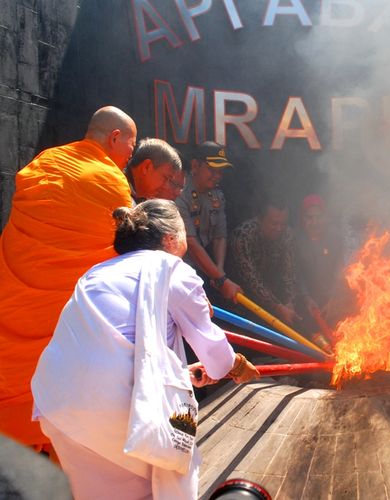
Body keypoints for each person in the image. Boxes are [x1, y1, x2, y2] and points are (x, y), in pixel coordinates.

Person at [31, 199, 260, 499]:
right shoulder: (172, 269)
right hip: (116, 411)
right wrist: (238, 365)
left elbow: (117, 345)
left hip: (58, 403)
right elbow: (215, 354)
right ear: (170, 238)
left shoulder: (97, 272)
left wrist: (183, 373)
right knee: (159, 484)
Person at [0, 106, 135, 451]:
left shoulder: (46, 162)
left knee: (17, 373)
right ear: (115, 137)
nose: (128, 160)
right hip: (60, 311)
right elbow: (126, 251)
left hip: (17, 298)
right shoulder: (109, 180)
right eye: (130, 150)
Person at [176, 141, 242, 304]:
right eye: (212, 169)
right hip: (180, 268)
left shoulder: (217, 196)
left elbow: (220, 236)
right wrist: (220, 279)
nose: (217, 176)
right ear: (195, 165)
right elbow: (190, 243)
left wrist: (219, 269)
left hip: (207, 267)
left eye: (220, 172)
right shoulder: (179, 193)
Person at [230, 197, 299, 326]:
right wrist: (278, 308)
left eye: (283, 224)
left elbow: (289, 271)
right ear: (260, 219)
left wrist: (290, 302)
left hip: (275, 298)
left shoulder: (287, 234)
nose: (279, 228)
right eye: (274, 223)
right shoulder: (244, 235)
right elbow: (251, 280)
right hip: (242, 301)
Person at [293, 194, 346, 337]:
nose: (314, 222)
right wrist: (306, 298)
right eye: (309, 218)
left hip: (332, 300)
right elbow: (295, 274)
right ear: (302, 219)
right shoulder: (295, 240)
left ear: (325, 218)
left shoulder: (335, 238)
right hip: (305, 303)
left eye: (318, 217)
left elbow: (340, 270)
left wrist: (333, 299)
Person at [124, 137, 183, 202]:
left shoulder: (141, 199)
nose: (165, 186)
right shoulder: (118, 188)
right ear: (146, 167)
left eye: (169, 180)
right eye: (165, 178)